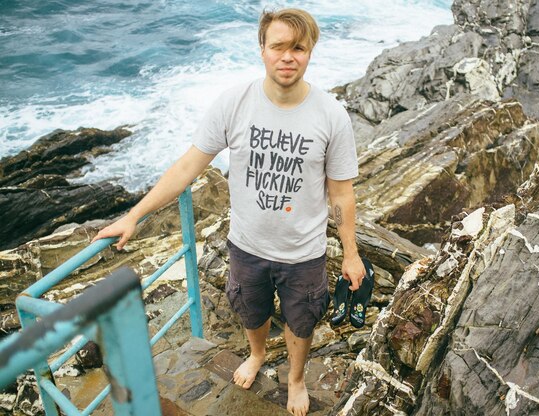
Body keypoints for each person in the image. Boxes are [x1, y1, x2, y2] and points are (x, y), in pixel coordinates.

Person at [93, 8, 364, 416]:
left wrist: (351, 252)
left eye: (298, 48)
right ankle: (256, 355)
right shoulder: (234, 102)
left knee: (302, 320)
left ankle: (294, 379)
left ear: (310, 53)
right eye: (278, 47)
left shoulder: (331, 115)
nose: (287, 56)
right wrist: (135, 214)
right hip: (246, 245)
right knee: (250, 311)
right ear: (262, 49)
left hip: (303, 252)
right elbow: (188, 166)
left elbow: (341, 194)